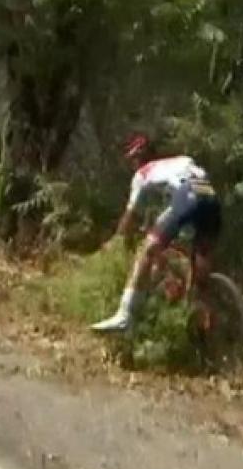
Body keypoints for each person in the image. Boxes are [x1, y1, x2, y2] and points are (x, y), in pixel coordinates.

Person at [91, 131, 222, 332]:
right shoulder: (180, 160)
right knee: (200, 264)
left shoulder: (142, 174)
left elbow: (130, 215)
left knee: (149, 247)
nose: (132, 165)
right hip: (209, 194)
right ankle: (209, 321)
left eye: (133, 160)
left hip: (188, 194)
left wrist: (117, 239)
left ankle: (125, 315)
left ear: (138, 160)